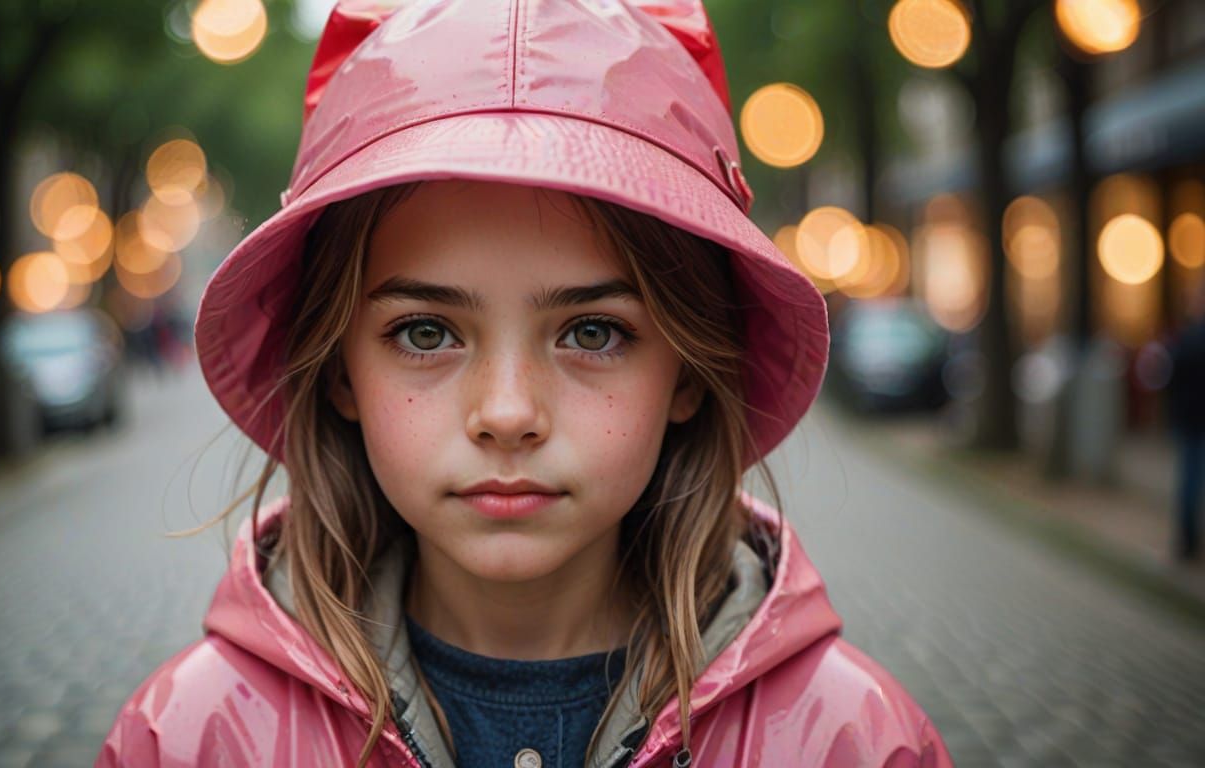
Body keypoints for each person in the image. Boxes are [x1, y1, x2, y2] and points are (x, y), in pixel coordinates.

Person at [97, 1, 951, 766]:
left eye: (593, 333)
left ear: (690, 371)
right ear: (338, 372)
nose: (507, 414)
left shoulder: (852, 742)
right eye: (425, 333)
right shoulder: (191, 739)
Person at [1168, 279, 1205, 561]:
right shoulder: (1188, 337)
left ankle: (1187, 541)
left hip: (1191, 421)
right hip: (1192, 421)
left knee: (1190, 481)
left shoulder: (1188, 337)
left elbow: (1172, 378)